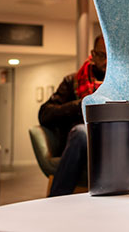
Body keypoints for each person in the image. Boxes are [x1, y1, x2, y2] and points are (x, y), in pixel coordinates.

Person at [39, 34, 107, 196]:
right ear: (93, 54)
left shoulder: (120, 81)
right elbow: (45, 113)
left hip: (112, 138)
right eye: (102, 56)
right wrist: (81, 105)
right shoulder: (73, 81)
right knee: (81, 132)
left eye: (110, 56)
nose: (106, 61)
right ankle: (57, 200)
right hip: (82, 142)